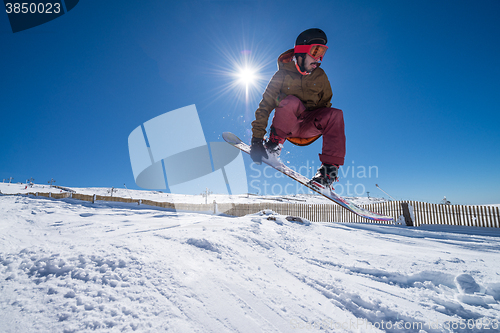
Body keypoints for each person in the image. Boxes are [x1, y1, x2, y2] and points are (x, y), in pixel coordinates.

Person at [250, 28, 346, 189]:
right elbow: (265, 104)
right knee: (290, 101)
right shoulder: (281, 75)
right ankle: (273, 146)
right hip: (287, 125)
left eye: (322, 52)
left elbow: (326, 106)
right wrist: (256, 138)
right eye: (316, 51)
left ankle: (328, 172)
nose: (319, 58)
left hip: (309, 126)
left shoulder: (320, 76)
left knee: (335, 114)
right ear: (301, 52)